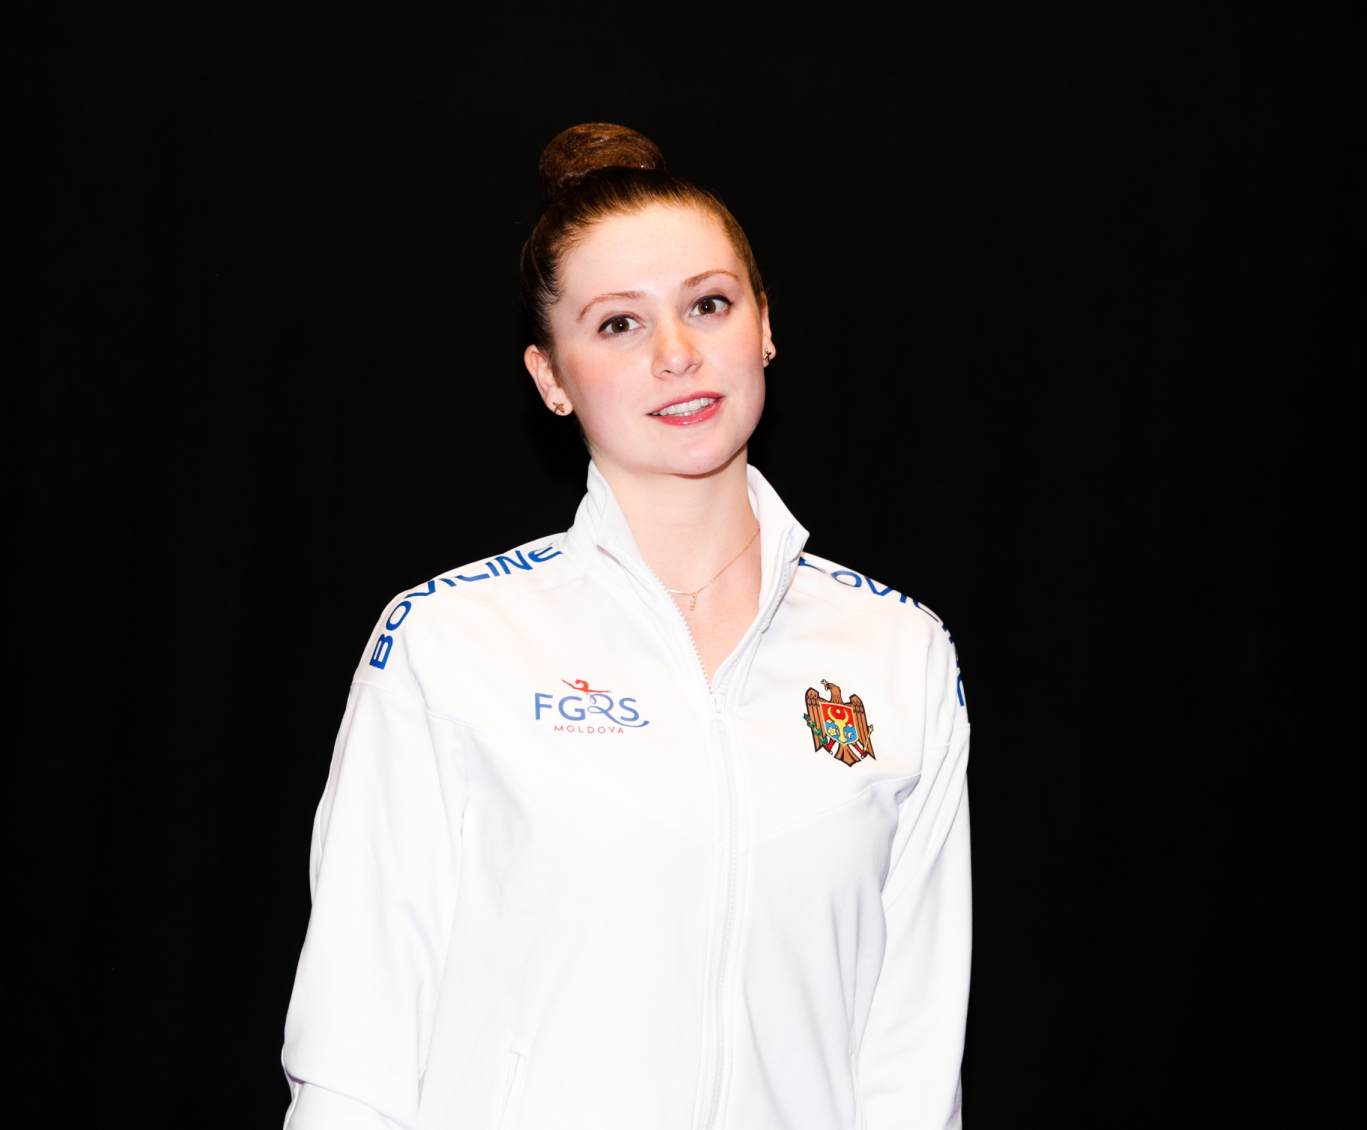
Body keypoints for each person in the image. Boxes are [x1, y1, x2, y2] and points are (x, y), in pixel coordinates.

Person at [281, 124, 972, 1130]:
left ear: (765, 326)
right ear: (550, 378)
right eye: (617, 324)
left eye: (709, 305)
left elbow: (912, 1056)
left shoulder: (898, 653)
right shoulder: (450, 640)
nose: (677, 355)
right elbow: (355, 1044)